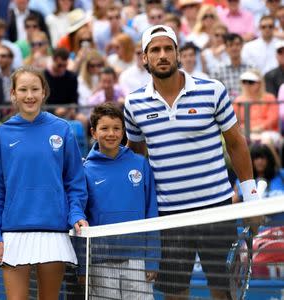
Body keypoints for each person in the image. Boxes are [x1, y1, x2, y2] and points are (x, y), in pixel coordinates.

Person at [124, 25, 258, 299]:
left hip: (216, 209)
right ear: (144, 58)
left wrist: (252, 198)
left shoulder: (213, 90)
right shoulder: (133, 103)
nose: (162, 55)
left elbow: (236, 143)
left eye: (168, 49)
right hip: (168, 215)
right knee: (175, 294)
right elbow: (136, 156)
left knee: (224, 292)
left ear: (178, 54)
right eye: (155, 50)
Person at [0, 66, 88, 299]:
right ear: (13, 94)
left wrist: (75, 215)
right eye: (23, 89)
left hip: (53, 231)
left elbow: (75, 182)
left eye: (34, 89)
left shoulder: (62, 129)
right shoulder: (2, 135)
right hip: (12, 233)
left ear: (44, 92)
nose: (29, 95)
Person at [83, 103, 159, 299]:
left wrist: (152, 259)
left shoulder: (140, 164)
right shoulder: (85, 170)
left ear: (123, 131)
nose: (111, 134)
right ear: (93, 132)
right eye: (105, 128)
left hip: (137, 260)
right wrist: (83, 267)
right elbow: (81, 219)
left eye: (117, 128)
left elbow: (151, 213)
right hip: (99, 262)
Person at [233, 69, 279, 143]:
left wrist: (260, 127)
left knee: (265, 141)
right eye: (244, 81)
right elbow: (235, 122)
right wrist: (245, 129)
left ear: (260, 83)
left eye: (251, 82)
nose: (247, 85)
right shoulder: (238, 101)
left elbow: (273, 119)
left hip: (268, 132)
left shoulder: (270, 98)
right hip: (245, 133)